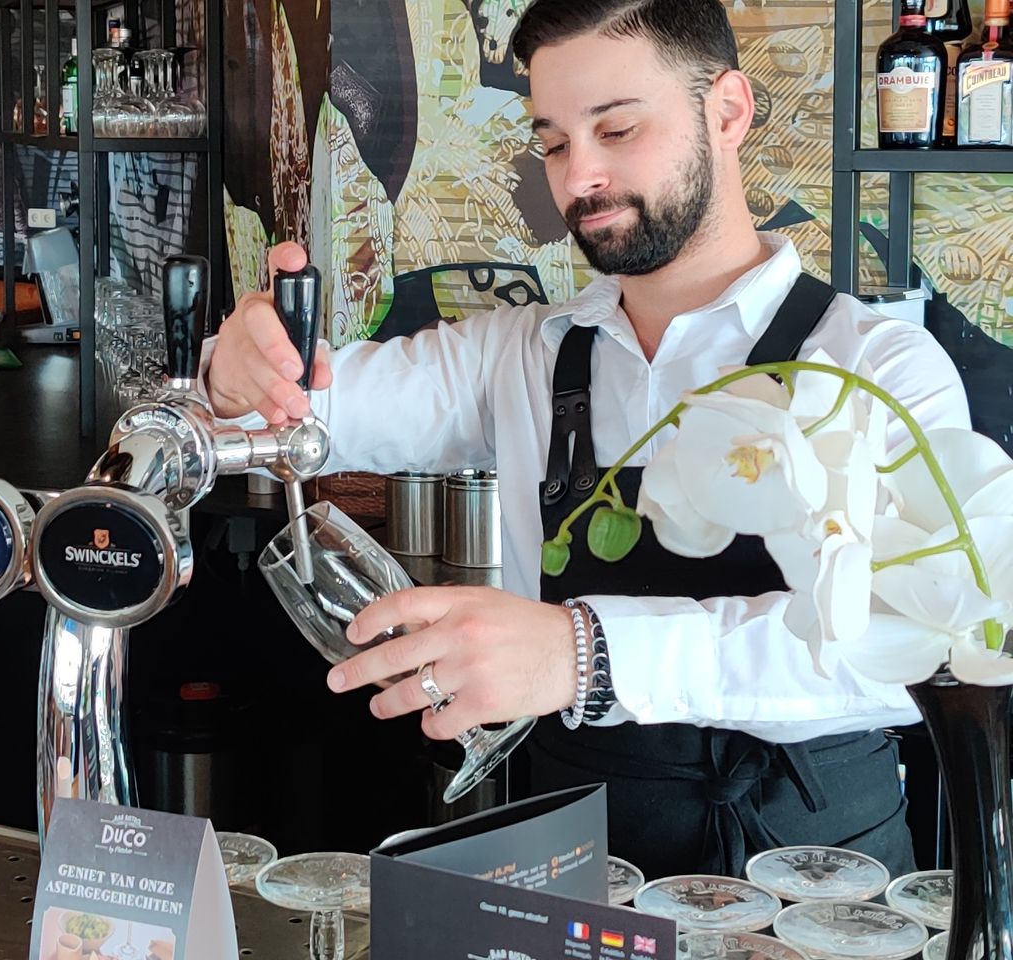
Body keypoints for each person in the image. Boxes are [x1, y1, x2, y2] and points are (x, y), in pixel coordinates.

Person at [204, 0, 969, 878]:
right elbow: (305, 415)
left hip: (814, 878)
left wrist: (586, 654)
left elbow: (915, 648)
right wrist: (238, 374)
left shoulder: (875, 366)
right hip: (577, 851)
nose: (580, 180)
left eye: (616, 128)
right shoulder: (526, 353)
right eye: (556, 143)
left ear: (727, 112)